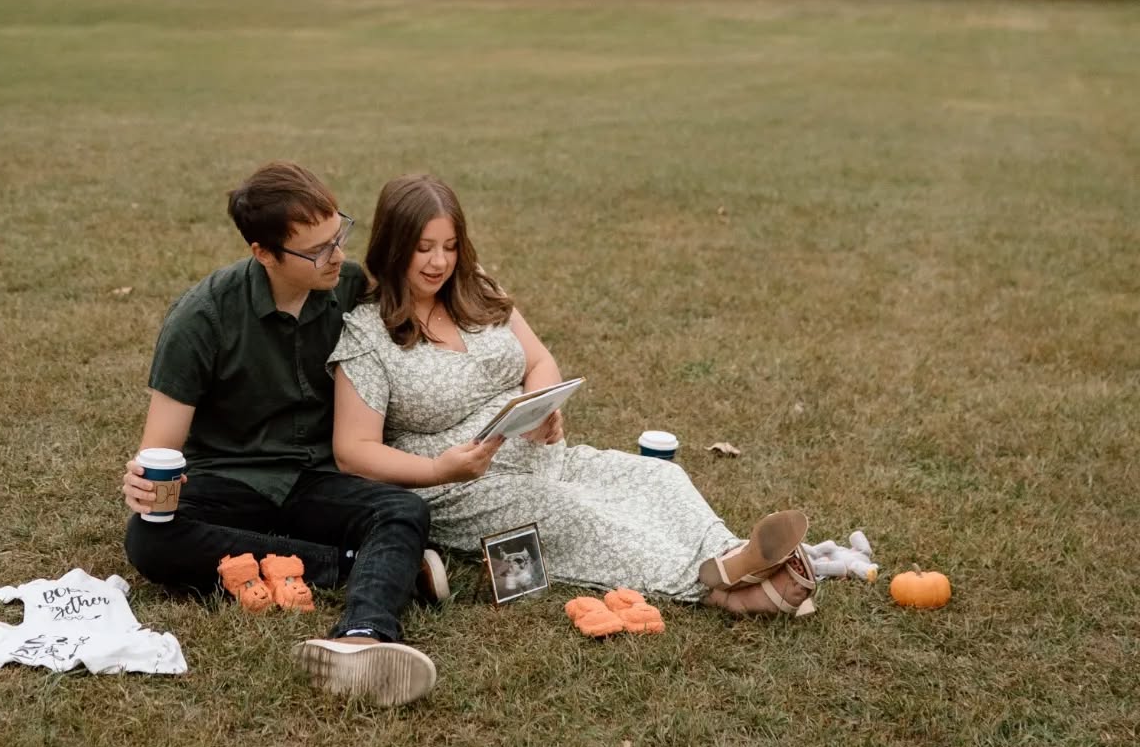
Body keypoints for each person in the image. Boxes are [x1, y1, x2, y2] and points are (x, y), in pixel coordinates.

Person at [328, 173, 818, 617]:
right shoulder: (369, 334)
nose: (440, 262)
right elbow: (353, 452)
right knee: (573, 511)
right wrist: (440, 470)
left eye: (451, 246)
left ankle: (735, 556)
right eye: (424, 248)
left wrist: (542, 408)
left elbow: (539, 361)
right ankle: (715, 589)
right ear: (394, 248)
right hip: (458, 485)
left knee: (655, 478)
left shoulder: (475, 290)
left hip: (540, 453)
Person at [121, 161, 442, 706]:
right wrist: (144, 481)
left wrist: (532, 375)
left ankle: (364, 633)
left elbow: (448, 310)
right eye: (315, 250)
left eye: (338, 235)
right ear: (263, 253)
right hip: (232, 481)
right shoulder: (202, 317)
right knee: (149, 539)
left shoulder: (348, 287)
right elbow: (161, 446)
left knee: (404, 511)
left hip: (320, 477)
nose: (336, 256)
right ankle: (354, 566)